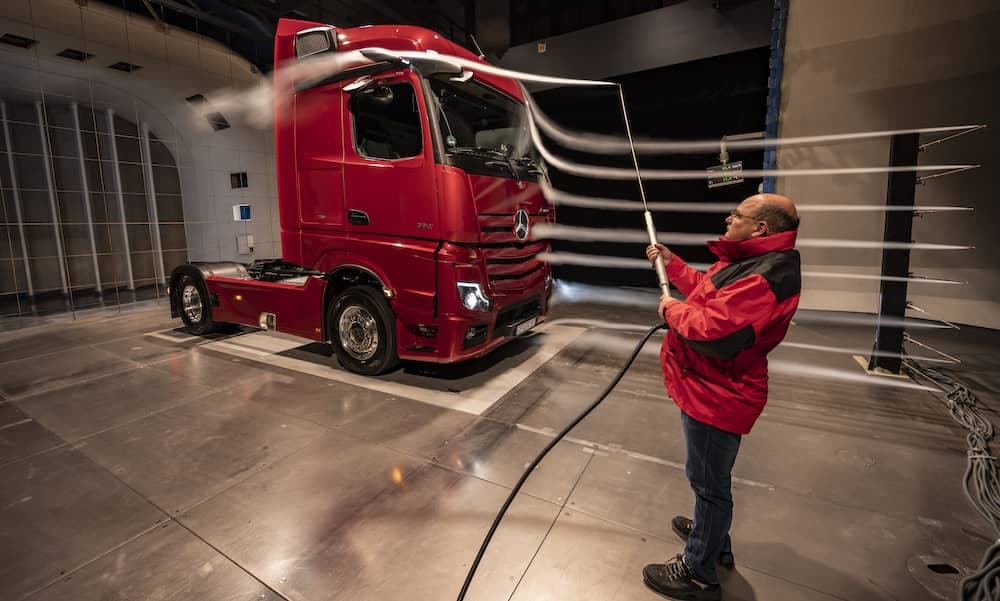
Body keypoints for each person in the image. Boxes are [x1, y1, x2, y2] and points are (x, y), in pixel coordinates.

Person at [641, 193, 801, 601]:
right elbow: (706, 293)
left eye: (737, 215)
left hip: (719, 395)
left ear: (760, 227)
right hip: (708, 386)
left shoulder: (766, 276)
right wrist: (672, 264)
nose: (729, 219)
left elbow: (714, 330)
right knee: (709, 480)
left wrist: (669, 311)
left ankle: (698, 570)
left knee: (709, 486)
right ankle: (715, 541)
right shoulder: (747, 261)